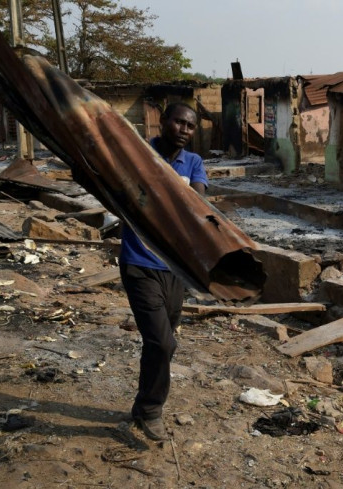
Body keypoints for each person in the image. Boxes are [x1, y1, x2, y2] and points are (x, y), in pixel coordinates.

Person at [119, 102, 207, 440]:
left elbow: (195, 203)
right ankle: (152, 410)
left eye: (190, 126)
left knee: (159, 343)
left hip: (175, 269)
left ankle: (141, 406)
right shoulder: (140, 153)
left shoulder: (194, 163)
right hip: (139, 262)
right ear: (163, 121)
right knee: (162, 343)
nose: (184, 130)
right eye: (179, 123)